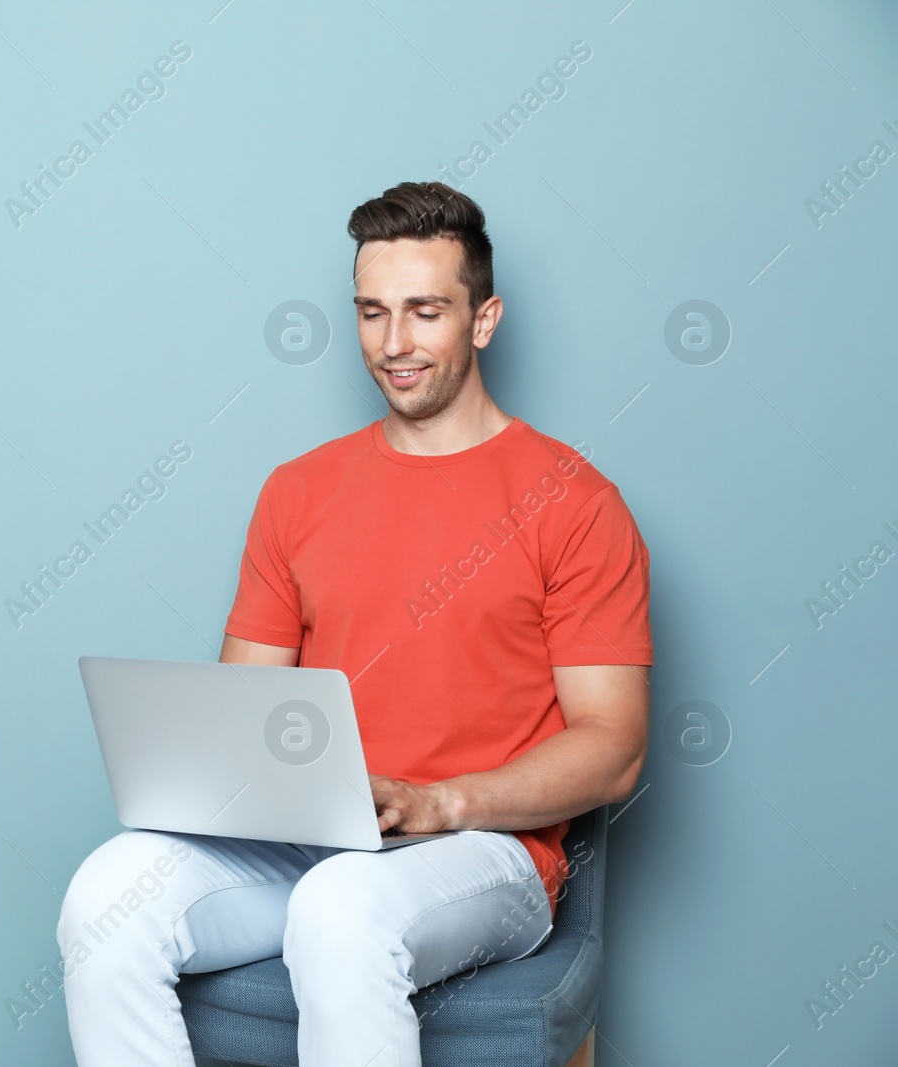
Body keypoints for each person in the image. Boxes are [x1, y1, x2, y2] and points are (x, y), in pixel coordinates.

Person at [56, 180, 653, 1066]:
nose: (394, 343)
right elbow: (243, 708)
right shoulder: (298, 491)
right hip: (308, 841)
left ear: (483, 321)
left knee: (340, 907)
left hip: (485, 853)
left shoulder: (575, 502)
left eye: (424, 312)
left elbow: (615, 747)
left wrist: (443, 800)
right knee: (105, 894)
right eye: (373, 313)